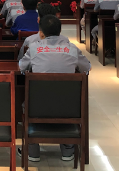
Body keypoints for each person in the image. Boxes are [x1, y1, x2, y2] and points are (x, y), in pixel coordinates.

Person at [18, 14, 90, 162]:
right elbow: (87, 68)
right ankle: (68, 149)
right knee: (66, 99)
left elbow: (21, 67)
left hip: (37, 107)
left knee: (26, 103)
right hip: (69, 107)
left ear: (41, 32)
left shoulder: (34, 48)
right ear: (60, 31)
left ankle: (33, 151)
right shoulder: (72, 49)